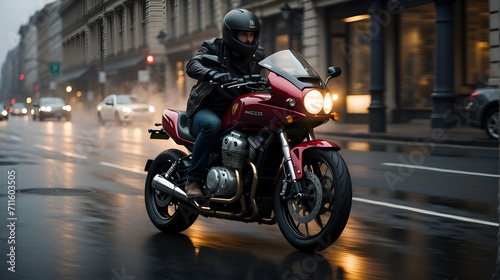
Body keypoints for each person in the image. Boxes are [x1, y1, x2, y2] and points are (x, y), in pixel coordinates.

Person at [184, 9, 264, 198]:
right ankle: (193, 179)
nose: (249, 40)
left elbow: (276, 71)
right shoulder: (212, 48)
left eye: (252, 35)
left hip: (238, 113)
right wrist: (212, 74)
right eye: (244, 34)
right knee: (212, 125)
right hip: (206, 111)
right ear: (231, 34)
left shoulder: (257, 54)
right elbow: (192, 65)